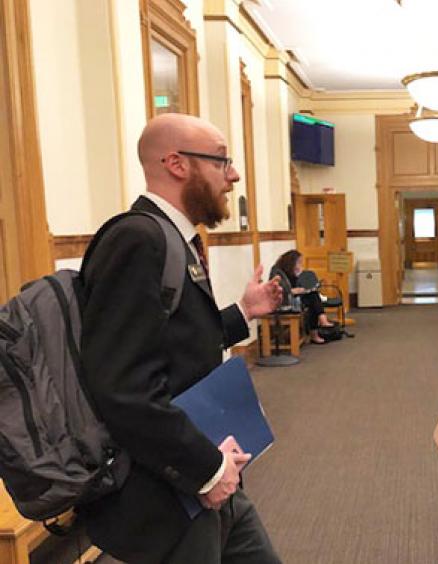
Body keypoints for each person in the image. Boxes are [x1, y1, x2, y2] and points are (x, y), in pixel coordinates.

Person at [77, 113, 283, 563]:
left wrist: (243, 312)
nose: (233, 175)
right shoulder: (137, 239)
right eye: (221, 161)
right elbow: (123, 386)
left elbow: (171, 344)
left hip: (206, 475)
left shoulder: (173, 238)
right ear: (176, 164)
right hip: (169, 491)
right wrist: (207, 472)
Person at [271, 249, 336, 344]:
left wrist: (300, 278)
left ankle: (320, 323)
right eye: (298, 262)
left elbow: (298, 284)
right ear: (291, 262)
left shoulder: (292, 271)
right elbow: (279, 290)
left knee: (312, 295)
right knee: (313, 298)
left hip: (294, 298)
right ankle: (320, 324)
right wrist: (294, 291)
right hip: (284, 302)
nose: (300, 265)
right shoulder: (277, 272)